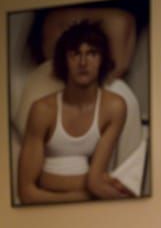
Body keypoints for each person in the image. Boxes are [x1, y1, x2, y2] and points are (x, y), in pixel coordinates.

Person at [17, 20, 133, 204]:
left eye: (92, 53)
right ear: (64, 60)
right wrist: (80, 195)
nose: (83, 62)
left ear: (102, 59)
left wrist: (51, 179)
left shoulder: (114, 107)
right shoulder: (43, 110)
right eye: (75, 54)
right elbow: (27, 192)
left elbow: (95, 181)